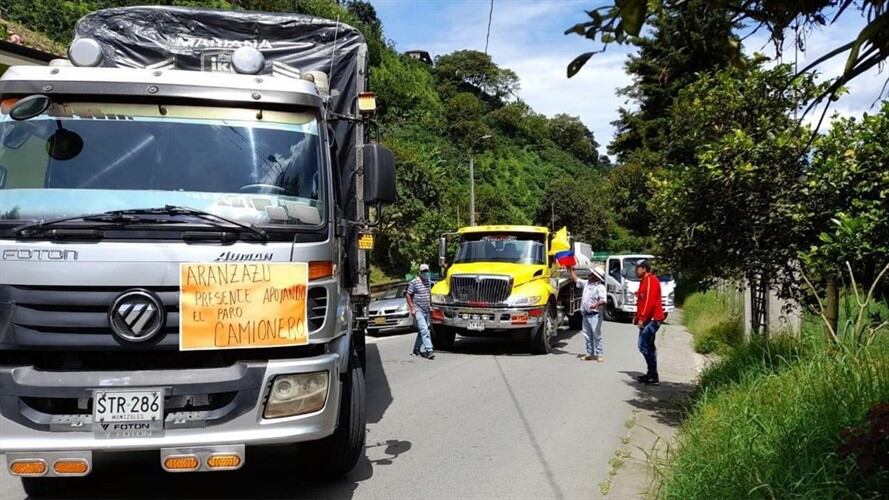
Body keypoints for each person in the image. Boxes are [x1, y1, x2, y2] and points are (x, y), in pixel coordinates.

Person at [634, 259, 666, 385]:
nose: (635, 270)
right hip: (647, 319)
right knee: (648, 346)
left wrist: (642, 318)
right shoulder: (644, 281)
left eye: (637, 268)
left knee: (643, 345)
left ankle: (653, 375)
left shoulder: (650, 280)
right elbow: (642, 301)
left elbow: (649, 302)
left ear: (644, 268)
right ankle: (651, 374)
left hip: (652, 319)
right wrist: (637, 317)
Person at [570, 266, 607, 362]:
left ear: (596, 277)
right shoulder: (587, 283)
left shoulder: (600, 287)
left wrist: (596, 304)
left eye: (592, 274)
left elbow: (603, 300)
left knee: (596, 334)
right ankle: (589, 353)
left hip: (595, 314)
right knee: (587, 334)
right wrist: (571, 270)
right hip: (586, 314)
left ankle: (599, 353)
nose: (590, 275)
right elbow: (576, 280)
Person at [406, 263, 435, 360]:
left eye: (427, 271)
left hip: (426, 309)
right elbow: (408, 295)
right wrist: (412, 308)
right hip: (418, 309)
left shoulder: (428, 281)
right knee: (424, 330)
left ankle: (416, 349)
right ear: (420, 272)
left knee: (422, 330)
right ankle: (429, 350)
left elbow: (429, 294)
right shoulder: (414, 282)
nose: (426, 273)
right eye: (423, 271)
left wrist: (430, 305)